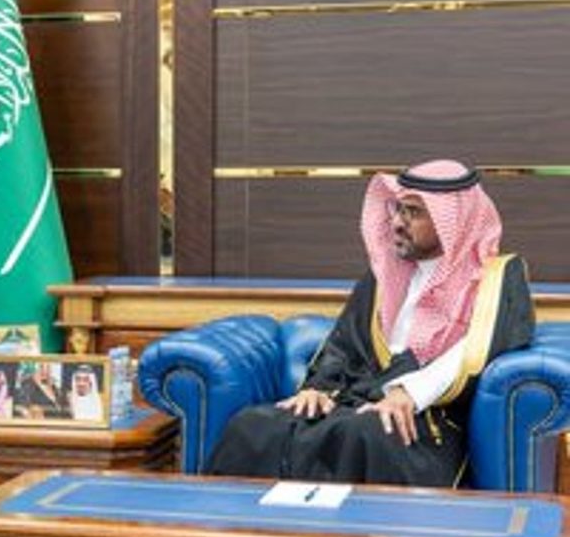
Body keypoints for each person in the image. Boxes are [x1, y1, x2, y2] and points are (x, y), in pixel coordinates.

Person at [206, 159, 535, 487]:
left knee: (364, 432)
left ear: (455, 221)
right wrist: (318, 389)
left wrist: (409, 392)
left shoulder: (497, 278)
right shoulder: (384, 274)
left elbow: (479, 349)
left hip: (427, 417)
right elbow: (344, 343)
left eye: (414, 212)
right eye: (398, 209)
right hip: (359, 398)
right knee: (252, 425)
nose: (398, 223)